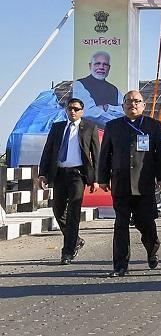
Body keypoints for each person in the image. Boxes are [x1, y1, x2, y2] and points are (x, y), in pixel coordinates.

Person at [98, 90, 161, 277]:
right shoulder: (113, 126)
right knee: (120, 224)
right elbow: (105, 154)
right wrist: (103, 178)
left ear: (143, 105)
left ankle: (152, 249)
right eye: (128, 101)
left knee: (145, 222)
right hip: (121, 183)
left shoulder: (153, 126)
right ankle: (120, 265)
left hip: (144, 183)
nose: (133, 104)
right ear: (123, 106)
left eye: (137, 101)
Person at [38, 98, 99, 265]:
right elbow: (48, 151)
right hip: (59, 174)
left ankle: (68, 251)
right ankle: (75, 239)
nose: (73, 111)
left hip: (77, 175)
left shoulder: (89, 127)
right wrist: (42, 174)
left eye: (76, 109)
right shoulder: (57, 127)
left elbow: (96, 154)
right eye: (70, 108)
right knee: (58, 210)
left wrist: (95, 179)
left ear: (82, 111)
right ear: (66, 110)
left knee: (73, 212)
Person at [73, 51, 125, 128]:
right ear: (90, 66)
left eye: (105, 64)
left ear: (109, 68)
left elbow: (125, 110)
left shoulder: (115, 90)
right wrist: (116, 120)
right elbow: (88, 112)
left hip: (112, 135)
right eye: (97, 63)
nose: (101, 67)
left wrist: (107, 107)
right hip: (88, 134)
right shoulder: (79, 84)